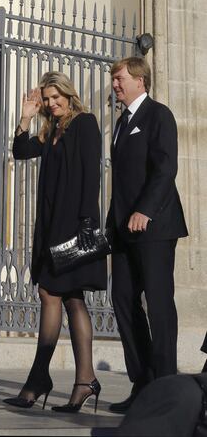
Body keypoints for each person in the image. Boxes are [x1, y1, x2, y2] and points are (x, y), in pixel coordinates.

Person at [3, 72, 107, 413]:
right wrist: (25, 118)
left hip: (74, 226)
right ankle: (83, 381)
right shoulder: (51, 132)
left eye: (55, 96)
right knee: (72, 299)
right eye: (46, 99)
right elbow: (20, 151)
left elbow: (91, 175)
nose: (51, 103)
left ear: (68, 94)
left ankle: (41, 380)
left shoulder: (85, 124)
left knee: (53, 294)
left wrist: (87, 224)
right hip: (51, 227)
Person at [106, 57, 188, 413]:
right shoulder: (122, 123)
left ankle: (167, 387)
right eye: (113, 79)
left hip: (154, 226)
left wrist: (145, 210)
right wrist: (113, 223)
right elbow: (121, 182)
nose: (114, 84)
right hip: (124, 230)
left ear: (140, 80)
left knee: (158, 303)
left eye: (120, 77)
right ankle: (143, 381)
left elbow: (165, 167)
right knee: (123, 299)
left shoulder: (159, 115)